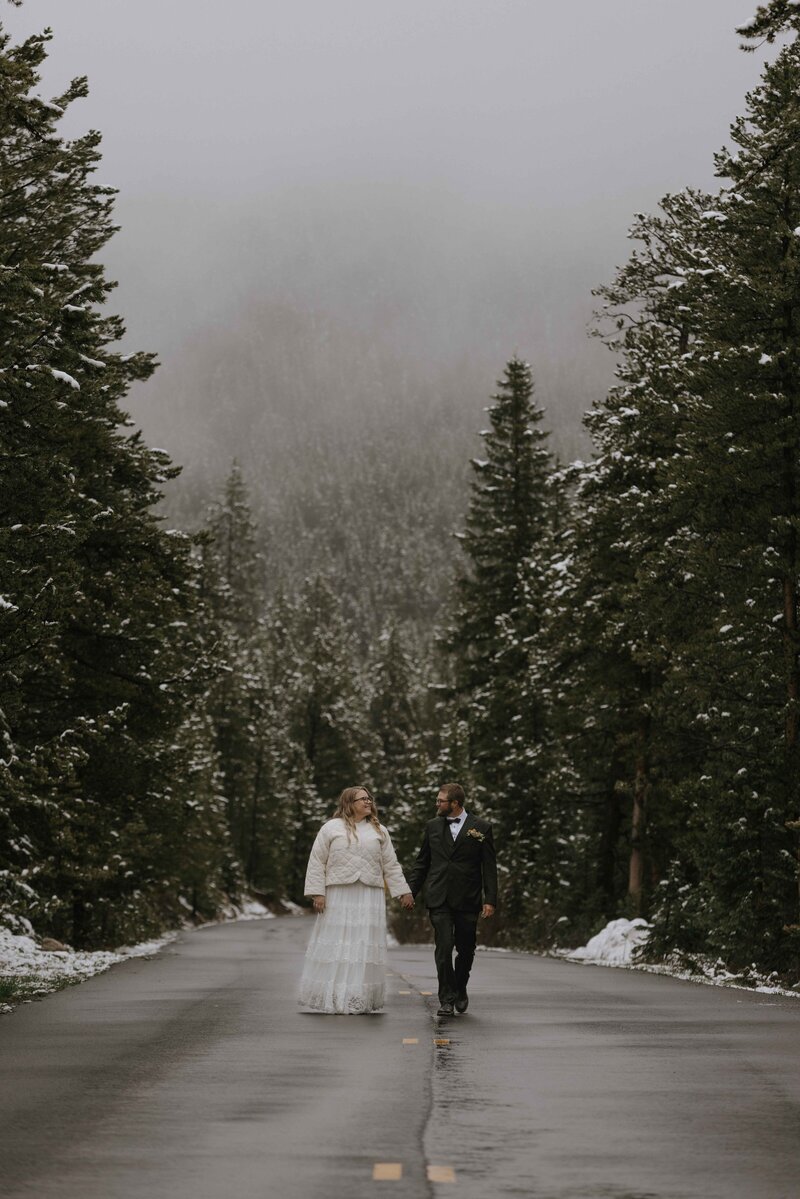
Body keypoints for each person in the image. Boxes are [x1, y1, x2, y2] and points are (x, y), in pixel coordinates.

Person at [299, 785, 414, 1014]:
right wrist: (317, 892)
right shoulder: (331, 828)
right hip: (339, 893)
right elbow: (317, 861)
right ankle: (332, 996)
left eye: (369, 798)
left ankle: (357, 996)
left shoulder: (380, 831)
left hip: (369, 894)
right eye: (362, 799)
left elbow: (390, 864)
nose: (368, 802)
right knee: (339, 942)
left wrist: (404, 891)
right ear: (349, 803)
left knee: (362, 943)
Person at [406, 782, 497, 1016]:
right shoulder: (432, 826)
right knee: (444, 947)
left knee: (466, 949)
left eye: (440, 801)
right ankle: (446, 998)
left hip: (468, 897)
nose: (436, 804)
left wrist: (490, 899)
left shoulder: (481, 828)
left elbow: (489, 867)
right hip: (439, 897)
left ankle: (460, 987)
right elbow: (422, 863)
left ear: (454, 803)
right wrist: (410, 891)